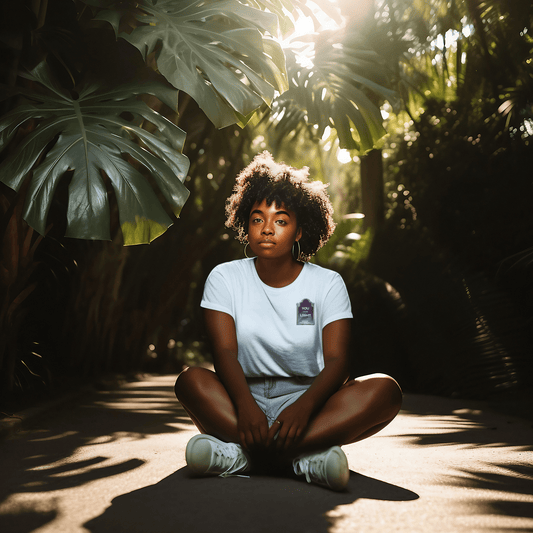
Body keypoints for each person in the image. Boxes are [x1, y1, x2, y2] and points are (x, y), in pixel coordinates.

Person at [174, 152, 402, 491]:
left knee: (386, 390)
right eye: (257, 219)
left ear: (299, 230)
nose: (267, 229)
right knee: (190, 381)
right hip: (240, 399)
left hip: (309, 399)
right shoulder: (224, 278)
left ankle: (244, 458)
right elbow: (224, 353)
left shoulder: (326, 283)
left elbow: (338, 361)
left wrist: (305, 407)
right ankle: (303, 461)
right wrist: (247, 407)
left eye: (281, 220)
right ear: (245, 224)